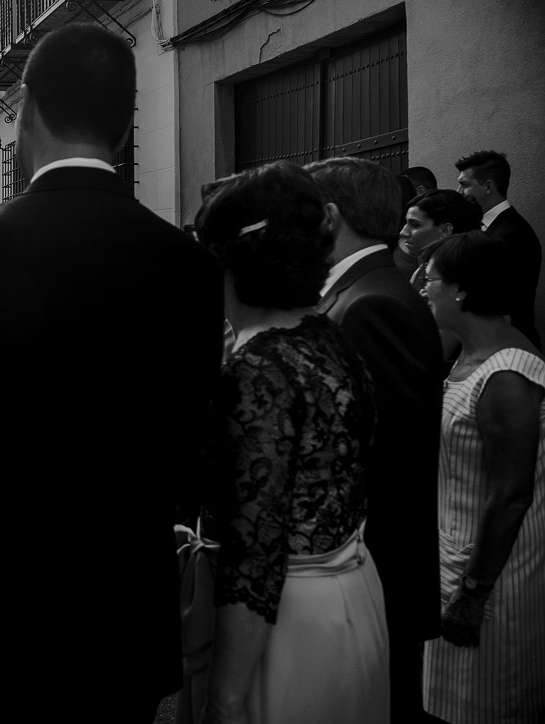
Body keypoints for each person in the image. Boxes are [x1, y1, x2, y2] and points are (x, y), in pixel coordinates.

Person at [0, 24, 223, 723]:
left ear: (26, 113)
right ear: (124, 126)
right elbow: (192, 439)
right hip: (120, 621)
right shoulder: (188, 266)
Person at [195, 161, 387, 724]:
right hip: (354, 590)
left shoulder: (259, 367)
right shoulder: (328, 337)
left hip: (288, 619)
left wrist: (225, 699)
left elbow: (256, 555)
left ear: (227, 261)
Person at [306, 156, 445, 722]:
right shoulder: (359, 293)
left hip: (369, 577)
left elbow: (373, 462)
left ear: (331, 216)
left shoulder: (372, 305)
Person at [419, 231, 545, 722]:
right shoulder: (467, 356)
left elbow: (511, 494)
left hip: (493, 581)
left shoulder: (507, 374)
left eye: (430, 280)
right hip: (457, 559)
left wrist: (472, 594)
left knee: (488, 707)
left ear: (462, 291)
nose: (422, 288)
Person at [456, 150, 542, 348]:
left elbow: (506, 302)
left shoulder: (514, 234)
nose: (459, 192)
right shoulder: (483, 227)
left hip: (509, 347)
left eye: (464, 184)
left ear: (488, 187)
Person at [399, 190, 482, 292]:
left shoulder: (456, 280)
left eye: (415, 225)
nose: (403, 232)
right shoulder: (423, 268)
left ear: (445, 230)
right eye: (406, 223)